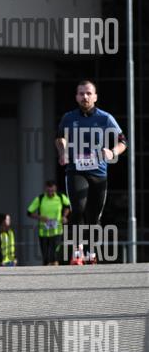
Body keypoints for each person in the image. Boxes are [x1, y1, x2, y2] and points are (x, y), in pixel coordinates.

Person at [54, 80, 126, 260]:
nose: (85, 97)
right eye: (81, 93)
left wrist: (112, 152)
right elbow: (60, 138)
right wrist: (63, 152)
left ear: (95, 97)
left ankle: (91, 252)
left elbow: (123, 142)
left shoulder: (105, 118)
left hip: (99, 173)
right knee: (78, 209)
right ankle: (77, 252)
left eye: (88, 93)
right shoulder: (68, 118)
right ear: (76, 97)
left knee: (94, 216)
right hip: (75, 170)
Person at [26, 180, 71, 266]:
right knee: (46, 258)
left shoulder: (60, 197)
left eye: (52, 191)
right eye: (48, 191)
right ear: (45, 189)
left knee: (54, 256)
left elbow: (68, 206)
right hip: (44, 232)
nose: (50, 193)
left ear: (55, 189)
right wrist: (40, 217)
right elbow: (29, 212)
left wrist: (64, 216)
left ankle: (55, 269)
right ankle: (46, 271)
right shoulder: (40, 198)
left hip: (57, 231)